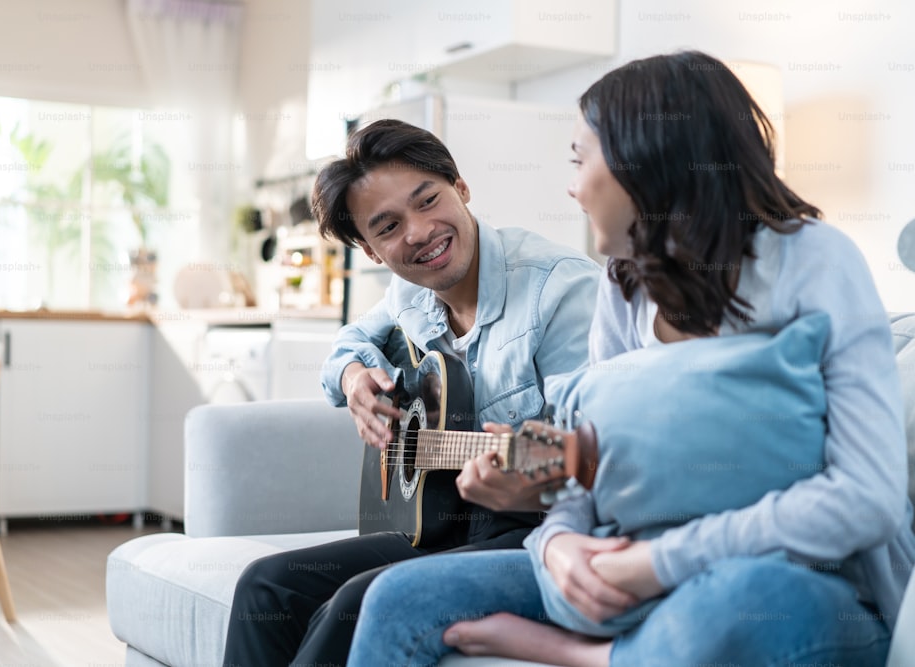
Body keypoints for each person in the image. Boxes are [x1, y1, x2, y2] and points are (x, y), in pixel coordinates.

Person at [346, 50, 915, 667]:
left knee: (735, 604)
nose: (570, 184)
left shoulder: (815, 261)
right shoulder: (624, 283)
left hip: (798, 582)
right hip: (628, 563)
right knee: (399, 598)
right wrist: (559, 545)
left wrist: (656, 563)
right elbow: (583, 465)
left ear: (645, 159)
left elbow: (867, 497)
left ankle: (599, 656)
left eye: (579, 159)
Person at [221, 118, 603, 666]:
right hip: (444, 522)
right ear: (372, 253)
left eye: (428, 201)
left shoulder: (560, 289)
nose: (419, 232)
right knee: (267, 586)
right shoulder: (409, 293)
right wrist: (355, 379)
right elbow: (347, 345)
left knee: (355, 603)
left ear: (461, 189)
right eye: (389, 226)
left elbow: (589, 454)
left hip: (535, 529)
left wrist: (527, 474)